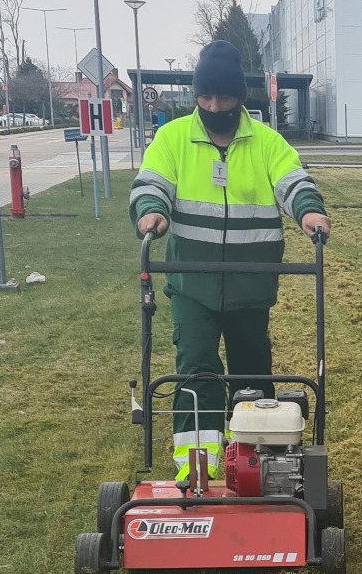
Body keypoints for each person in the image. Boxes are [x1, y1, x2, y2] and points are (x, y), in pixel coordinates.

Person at [129, 39, 329, 482]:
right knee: (197, 368)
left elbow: (293, 181)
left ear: (240, 97)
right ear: (196, 95)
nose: (214, 105)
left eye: (224, 97)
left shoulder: (266, 142)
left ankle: (258, 468)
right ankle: (196, 471)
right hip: (192, 282)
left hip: (251, 282)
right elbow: (151, 183)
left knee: (252, 373)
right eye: (206, 96)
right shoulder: (173, 138)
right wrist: (151, 213)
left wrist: (309, 210)